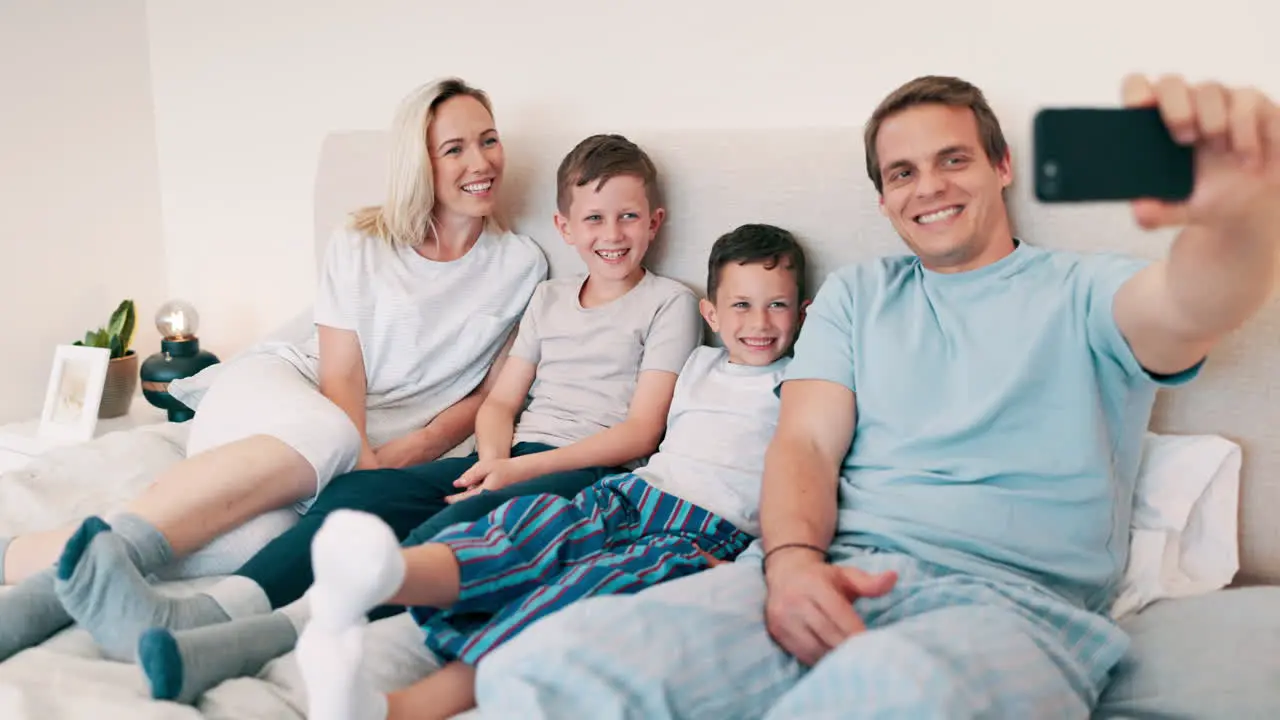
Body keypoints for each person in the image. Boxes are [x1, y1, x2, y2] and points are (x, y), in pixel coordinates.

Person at [460, 74, 1280, 719]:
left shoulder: (1086, 290)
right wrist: (789, 564)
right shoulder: (856, 296)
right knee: (547, 666)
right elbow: (805, 445)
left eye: (953, 159)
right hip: (818, 573)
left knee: (887, 695)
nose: (928, 187)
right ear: (883, 197)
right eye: (901, 172)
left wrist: (1238, 218)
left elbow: (1192, 304)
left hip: (1013, 607)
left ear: (1000, 167)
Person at [57, 132, 702, 672]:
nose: (611, 234)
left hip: (583, 472)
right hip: (507, 457)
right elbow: (500, 402)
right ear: (565, 227)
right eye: (594, 218)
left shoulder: (668, 301)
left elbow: (641, 432)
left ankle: (252, 640)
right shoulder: (550, 299)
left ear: (655, 222)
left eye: (627, 216)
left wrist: (514, 473)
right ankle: (218, 607)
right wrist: (491, 463)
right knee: (358, 496)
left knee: (438, 538)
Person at [0, 76, 549, 662]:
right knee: (330, 432)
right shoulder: (362, 242)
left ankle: (30, 570)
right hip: (284, 398)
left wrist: (404, 456)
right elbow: (341, 378)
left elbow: (488, 394)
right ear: (420, 164)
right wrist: (363, 467)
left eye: (489, 141)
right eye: (455, 148)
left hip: (361, 450)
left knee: (268, 542)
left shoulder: (522, 266)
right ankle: (36, 600)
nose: (481, 162)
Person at [294, 222, 809, 720]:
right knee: (527, 529)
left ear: (805, 313)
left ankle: (398, 711)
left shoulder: (805, 383)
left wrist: (753, 569)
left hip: (703, 531)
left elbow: (809, 483)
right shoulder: (697, 363)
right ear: (712, 314)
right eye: (741, 305)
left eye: (777, 305)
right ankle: (387, 576)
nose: (759, 323)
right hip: (633, 492)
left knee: (570, 596)